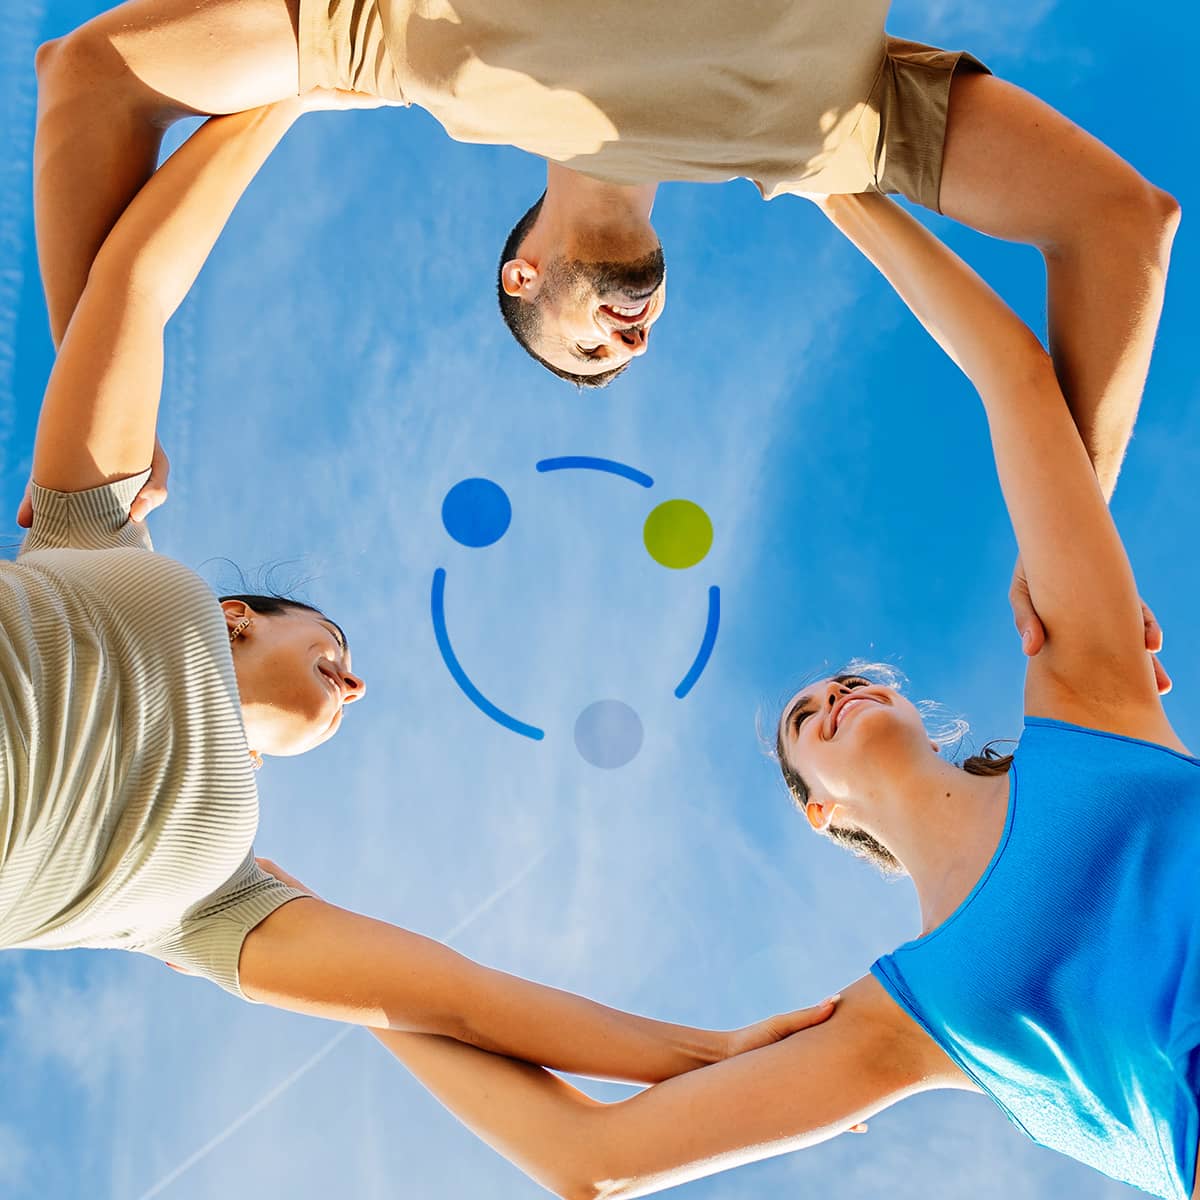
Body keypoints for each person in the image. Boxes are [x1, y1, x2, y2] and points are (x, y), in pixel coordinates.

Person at [281, 194, 1196, 1200]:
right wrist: (338, 969)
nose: (838, 698)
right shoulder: (907, 1017)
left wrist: (835, 179)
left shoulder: (1086, 703)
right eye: (809, 720)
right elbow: (593, 1161)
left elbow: (1020, 382)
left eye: (848, 685)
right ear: (823, 810)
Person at [1, 90, 847, 1109]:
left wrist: (712, 1055)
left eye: (347, 675)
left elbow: (458, 1001)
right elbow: (131, 289)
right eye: (332, 639)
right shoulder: (100, 542)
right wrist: (293, 79)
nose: (355, 683)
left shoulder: (211, 893)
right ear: (235, 616)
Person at [31, 0, 1178, 669]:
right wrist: (1074, 536)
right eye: (632, 351)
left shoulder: (397, 49)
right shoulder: (835, 143)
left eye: (584, 347)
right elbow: (1121, 222)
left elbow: (91, 76)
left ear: (523, 272)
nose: (625, 344)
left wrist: (92, 401)